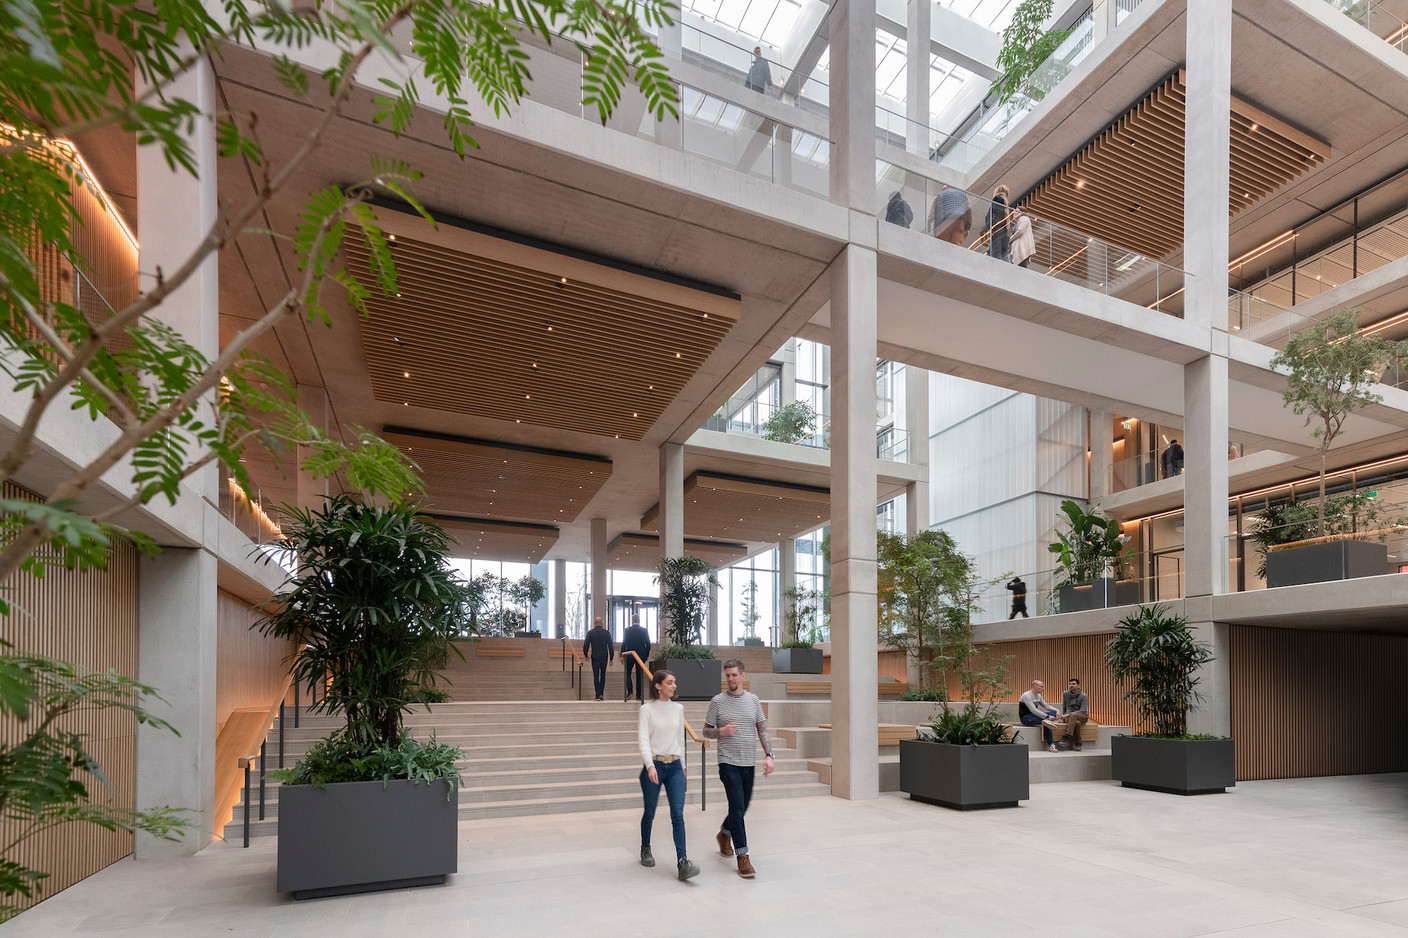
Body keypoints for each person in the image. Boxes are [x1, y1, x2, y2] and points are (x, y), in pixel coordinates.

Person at [703, 659, 773, 879]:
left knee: (742, 807)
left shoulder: (753, 700)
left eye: (734, 675)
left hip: (748, 762)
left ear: (743, 676)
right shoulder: (717, 701)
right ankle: (743, 856)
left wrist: (769, 755)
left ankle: (724, 834)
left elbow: (762, 729)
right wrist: (721, 732)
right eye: (728, 675)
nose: (731, 679)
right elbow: (706, 731)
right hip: (727, 761)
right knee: (736, 805)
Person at [637, 669, 700, 881]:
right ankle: (645, 847)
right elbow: (643, 739)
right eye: (670, 683)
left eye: (674, 682)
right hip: (654, 764)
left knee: (677, 814)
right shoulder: (647, 709)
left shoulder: (678, 709)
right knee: (650, 812)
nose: (674, 686)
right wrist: (649, 766)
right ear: (658, 686)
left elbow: (680, 740)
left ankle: (683, 861)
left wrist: (683, 767)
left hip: (674, 766)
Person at [1018, 680, 1059, 752]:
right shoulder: (1026, 695)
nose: (1043, 689)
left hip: (1035, 716)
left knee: (1052, 715)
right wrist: (1047, 716)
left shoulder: (1039, 696)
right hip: (1026, 718)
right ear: (1035, 686)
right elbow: (1033, 709)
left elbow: (1046, 706)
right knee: (1047, 721)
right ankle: (1051, 745)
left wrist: (1057, 710)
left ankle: (1047, 722)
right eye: (1041, 687)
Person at [621, 614, 651, 702]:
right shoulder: (644, 630)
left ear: (632, 621)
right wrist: (646, 654)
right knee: (639, 675)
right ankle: (639, 695)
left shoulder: (627, 630)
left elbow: (624, 643)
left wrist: (622, 655)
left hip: (630, 655)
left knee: (627, 673)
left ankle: (630, 691)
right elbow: (648, 644)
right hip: (641, 656)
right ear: (639, 620)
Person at [582, 616, 614, 701]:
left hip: (595, 657)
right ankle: (601, 694)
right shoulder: (607, 633)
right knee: (603, 675)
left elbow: (586, 645)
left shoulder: (591, 633)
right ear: (602, 623)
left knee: (596, 675)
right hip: (604, 656)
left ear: (594, 623)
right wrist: (611, 657)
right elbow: (610, 645)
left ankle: (597, 694)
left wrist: (585, 654)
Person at [1057, 677, 1090, 751]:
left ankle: (1067, 737)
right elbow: (1064, 706)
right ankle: (1078, 743)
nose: (1071, 685)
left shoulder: (1084, 696)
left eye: (1073, 684)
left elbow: (1083, 710)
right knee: (1077, 723)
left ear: (1078, 686)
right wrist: (1064, 716)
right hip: (1070, 716)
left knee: (1074, 716)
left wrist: (1068, 715)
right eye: (1070, 684)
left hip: (1082, 716)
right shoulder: (1065, 694)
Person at [981, 184, 1011, 260]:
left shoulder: (996, 199)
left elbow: (992, 213)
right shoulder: (1006, 203)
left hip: (997, 226)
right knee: (1003, 252)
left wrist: (988, 226)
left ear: (996, 191)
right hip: (1005, 229)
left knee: (996, 250)